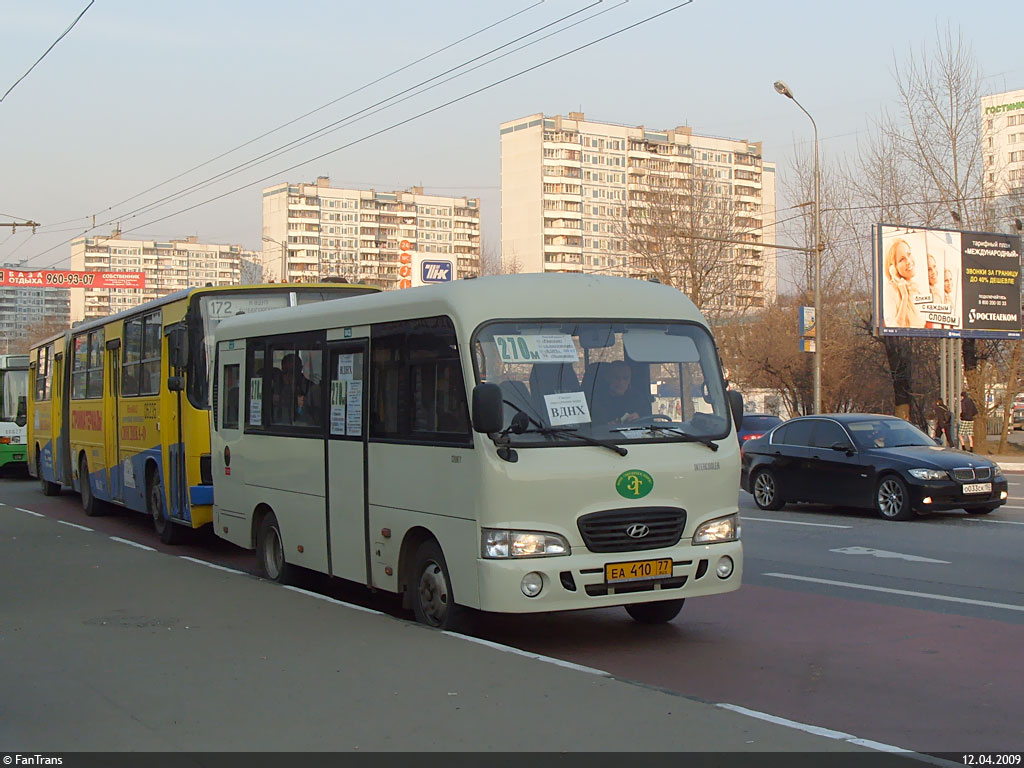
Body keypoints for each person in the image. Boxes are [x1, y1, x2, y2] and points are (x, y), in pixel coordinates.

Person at [882, 238, 924, 328]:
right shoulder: (889, 290)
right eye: (902, 259)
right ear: (893, 267)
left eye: (909, 255)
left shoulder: (917, 287)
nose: (908, 261)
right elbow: (893, 327)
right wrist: (904, 297)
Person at [590, 361, 640, 425]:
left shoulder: (637, 398)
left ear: (630, 380)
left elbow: (647, 418)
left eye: (625, 378)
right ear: (608, 378)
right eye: (617, 378)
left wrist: (638, 415)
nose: (621, 383)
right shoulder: (595, 401)